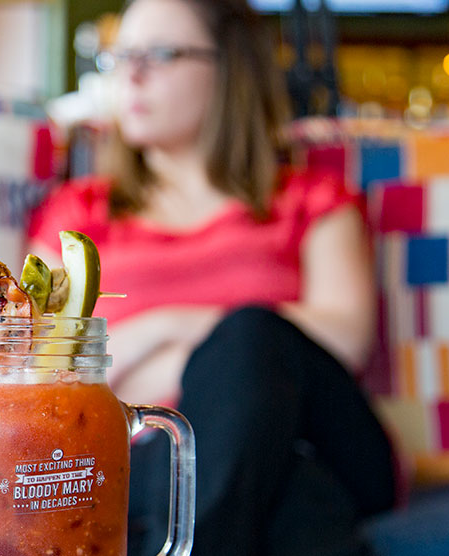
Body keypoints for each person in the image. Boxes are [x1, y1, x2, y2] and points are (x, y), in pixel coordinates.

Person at [27, 0, 395, 554]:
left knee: (253, 335)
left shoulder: (311, 199)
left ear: (229, 69)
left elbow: (343, 341)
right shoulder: (79, 212)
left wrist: (171, 337)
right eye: (121, 55)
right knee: (295, 498)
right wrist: (194, 352)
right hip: (164, 458)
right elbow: (35, 375)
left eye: (161, 54)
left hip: (322, 437)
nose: (132, 73)